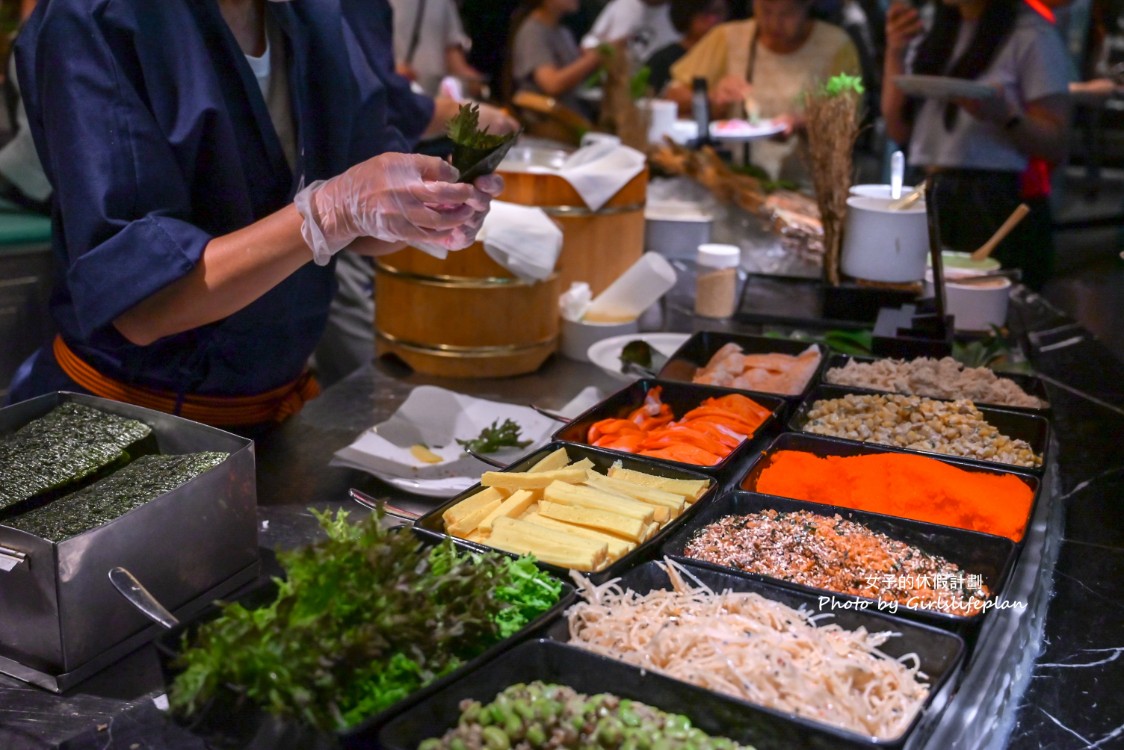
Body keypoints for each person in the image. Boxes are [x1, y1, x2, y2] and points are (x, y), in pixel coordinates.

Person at [8, 0, 502, 429]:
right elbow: (142, 303)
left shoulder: (312, 18)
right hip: (132, 422)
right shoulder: (99, 16)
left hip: (270, 414)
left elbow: (362, 223)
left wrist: (421, 211)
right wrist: (329, 214)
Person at [882, 0, 1073, 290]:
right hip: (928, 186)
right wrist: (895, 50)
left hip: (992, 199)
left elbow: (1056, 142)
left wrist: (1005, 116)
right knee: (917, 303)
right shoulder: (936, 26)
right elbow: (899, 128)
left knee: (981, 314)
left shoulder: (1030, 32)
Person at [664, 0, 859, 181]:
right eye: (765, 11)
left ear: (806, 6)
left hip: (805, 183)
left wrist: (802, 123)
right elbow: (671, 96)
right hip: (733, 180)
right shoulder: (728, 37)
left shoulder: (835, 45)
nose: (774, 23)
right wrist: (710, 98)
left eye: (787, 14)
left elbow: (848, 119)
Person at [511, 0, 614, 119]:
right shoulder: (533, 32)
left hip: (576, 119)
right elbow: (551, 84)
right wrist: (592, 59)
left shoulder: (563, 32)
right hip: (551, 126)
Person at [388, 0, 486, 98]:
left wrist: (473, 81)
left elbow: (452, 52)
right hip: (397, 96)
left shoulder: (444, 3)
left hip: (435, 98)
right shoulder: (378, 4)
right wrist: (389, 71)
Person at [645, 0, 727, 95]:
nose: (714, 19)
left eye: (719, 12)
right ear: (688, 13)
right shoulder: (663, 60)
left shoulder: (725, 57)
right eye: (706, 12)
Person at [582, 0, 680, 63]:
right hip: (606, 83)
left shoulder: (679, 14)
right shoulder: (621, 4)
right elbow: (588, 42)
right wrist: (607, 49)